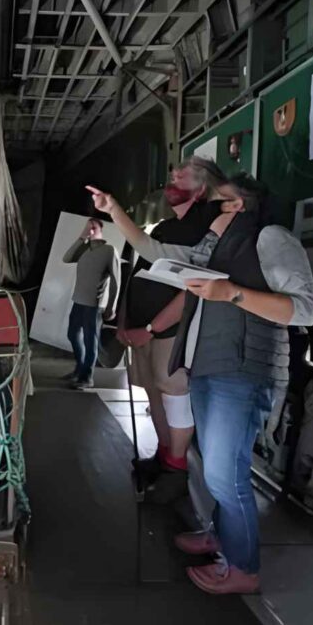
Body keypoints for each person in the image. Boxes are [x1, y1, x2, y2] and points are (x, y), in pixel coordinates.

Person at [87, 171, 313, 595]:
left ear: (238, 207)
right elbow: (152, 248)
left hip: (246, 371)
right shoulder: (213, 248)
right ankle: (221, 536)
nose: (208, 210)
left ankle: (243, 569)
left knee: (225, 474)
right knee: (213, 468)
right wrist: (113, 210)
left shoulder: (271, 239)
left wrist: (232, 294)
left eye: (218, 202)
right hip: (210, 367)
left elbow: (306, 310)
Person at [116, 158, 223, 473]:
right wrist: (124, 321)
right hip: (141, 328)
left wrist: (152, 327)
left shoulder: (206, 226)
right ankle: (162, 458)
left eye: (183, 175)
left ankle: (176, 466)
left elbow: (197, 285)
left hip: (170, 330)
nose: (173, 178)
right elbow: (136, 276)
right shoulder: (162, 228)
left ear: (202, 188)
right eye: (172, 173)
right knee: (152, 391)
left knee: (173, 393)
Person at [62, 217, 120, 390]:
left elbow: (117, 280)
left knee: (90, 341)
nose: (90, 229)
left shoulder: (109, 250)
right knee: (72, 334)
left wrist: (112, 306)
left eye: (93, 227)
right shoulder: (84, 250)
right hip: (78, 300)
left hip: (95, 305)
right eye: (88, 227)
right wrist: (82, 236)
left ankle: (87, 377)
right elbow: (66, 258)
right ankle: (80, 368)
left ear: (101, 229)